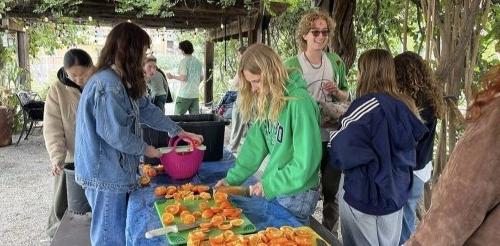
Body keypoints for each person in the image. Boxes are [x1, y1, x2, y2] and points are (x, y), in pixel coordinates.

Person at [74, 22, 203, 245]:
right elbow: (114, 133)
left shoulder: (122, 80)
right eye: (142, 52)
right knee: (108, 237)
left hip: (115, 170)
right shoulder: (108, 85)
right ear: (129, 51)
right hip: (104, 174)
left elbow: (147, 110)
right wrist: (146, 149)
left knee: (114, 231)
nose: (144, 59)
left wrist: (179, 130)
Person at [328, 49, 427, 246]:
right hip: (395, 197)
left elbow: (339, 150)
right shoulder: (407, 105)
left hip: (364, 196)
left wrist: (338, 126)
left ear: (366, 73)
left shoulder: (365, 105)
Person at [215, 44, 322, 224]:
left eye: (256, 81)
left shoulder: (300, 103)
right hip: (278, 185)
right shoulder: (268, 99)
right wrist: (232, 180)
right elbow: (254, 147)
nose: (254, 88)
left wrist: (270, 184)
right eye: (250, 83)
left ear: (271, 72)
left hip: (298, 191)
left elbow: (306, 163)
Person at [406, 65, 500, 246]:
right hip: (418, 170)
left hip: (411, 172)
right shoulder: (428, 102)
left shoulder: (496, 118)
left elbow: (452, 214)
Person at [284, 10, 349, 233]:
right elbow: (283, 103)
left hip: (331, 136)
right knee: (304, 186)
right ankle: (299, 230)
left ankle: (329, 234)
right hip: (304, 137)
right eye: (316, 32)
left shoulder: (335, 62)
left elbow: (346, 95)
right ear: (304, 35)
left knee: (332, 191)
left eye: (325, 32)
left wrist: (337, 93)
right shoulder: (291, 65)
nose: (321, 37)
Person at [394, 51, 445, 244]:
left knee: (404, 221)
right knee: (405, 218)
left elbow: (408, 141)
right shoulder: (428, 98)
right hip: (421, 168)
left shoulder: (420, 106)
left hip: (412, 170)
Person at [43, 48, 94, 238]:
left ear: (92, 68)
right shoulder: (57, 90)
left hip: (96, 154)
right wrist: (57, 158)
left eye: (84, 74)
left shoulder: (99, 83)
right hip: (70, 156)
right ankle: (56, 234)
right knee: (62, 199)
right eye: (73, 75)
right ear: (65, 71)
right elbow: (52, 126)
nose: (79, 79)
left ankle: (91, 234)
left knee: (93, 200)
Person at [167, 40, 203, 115]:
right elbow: (202, 77)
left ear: (183, 50)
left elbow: (183, 78)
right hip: (195, 95)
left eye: (180, 49)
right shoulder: (198, 62)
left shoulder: (184, 62)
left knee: (177, 118)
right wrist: (194, 83)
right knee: (195, 120)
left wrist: (172, 76)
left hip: (184, 95)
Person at [228, 46, 248, 153]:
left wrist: (230, 81)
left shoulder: (244, 64)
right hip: (254, 97)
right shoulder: (255, 63)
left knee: (237, 120)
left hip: (244, 96)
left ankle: (232, 146)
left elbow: (236, 83)